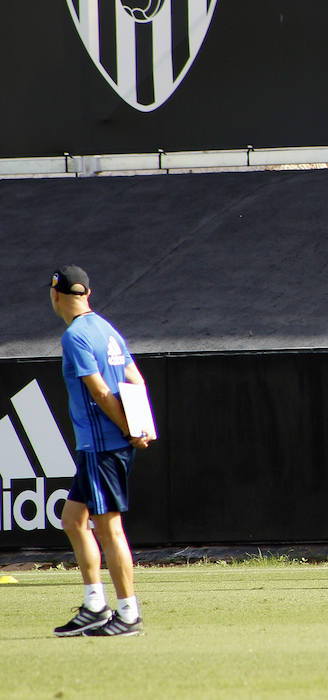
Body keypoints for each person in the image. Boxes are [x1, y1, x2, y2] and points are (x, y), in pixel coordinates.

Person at [49, 264, 153, 636]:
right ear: (87, 293)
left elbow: (100, 391)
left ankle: (128, 615)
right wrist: (140, 427)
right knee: (73, 519)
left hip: (102, 445)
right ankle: (95, 606)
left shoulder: (75, 336)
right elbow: (135, 378)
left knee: (110, 529)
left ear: (55, 294)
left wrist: (128, 428)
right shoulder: (107, 329)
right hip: (110, 442)